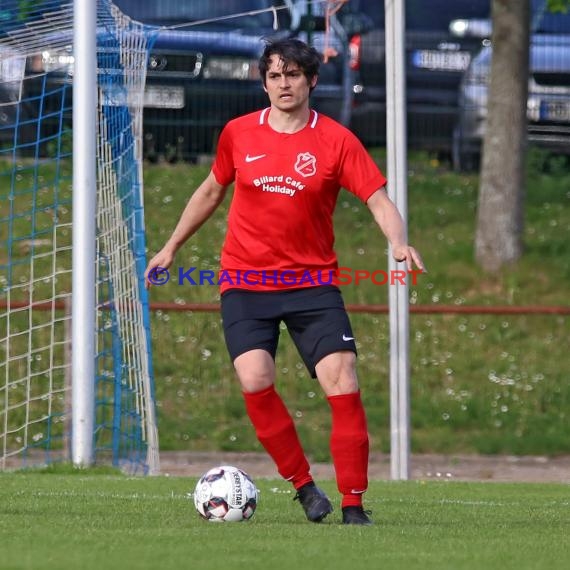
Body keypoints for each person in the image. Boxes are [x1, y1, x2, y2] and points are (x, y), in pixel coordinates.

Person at [145, 38, 425, 525]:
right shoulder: (238, 133)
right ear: (264, 82)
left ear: (312, 80)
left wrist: (397, 243)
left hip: (312, 285)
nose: (283, 84)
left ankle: (354, 506)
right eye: (274, 76)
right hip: (245, 281)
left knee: (342, 380)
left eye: (293, 75)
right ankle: (304, 487)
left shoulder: (337, 140)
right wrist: (171, 247)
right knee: (255, 378)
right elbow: (211, 190)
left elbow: (378, 199)